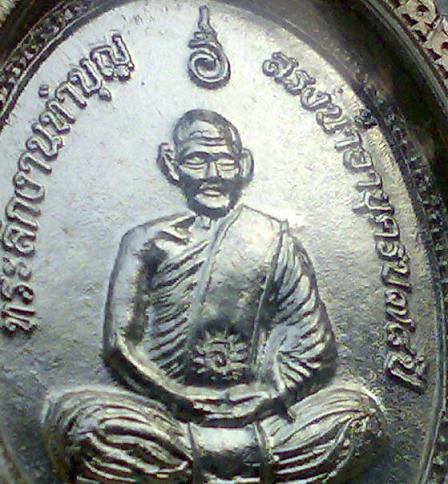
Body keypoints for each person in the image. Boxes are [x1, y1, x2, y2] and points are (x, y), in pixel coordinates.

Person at [43, 110, 385, 483]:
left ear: (244, 165)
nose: (213, 174)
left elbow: (315, 347)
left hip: (261, 422)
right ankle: (239, 467)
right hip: (167, 420)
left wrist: (269, 396)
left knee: (359, 418)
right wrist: (178, 396)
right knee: (83, 427)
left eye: (224, 160)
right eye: (197, 160)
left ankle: (199, 467)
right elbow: (119, 347)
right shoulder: (146, 242)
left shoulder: (274, 241)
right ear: (171, 165)